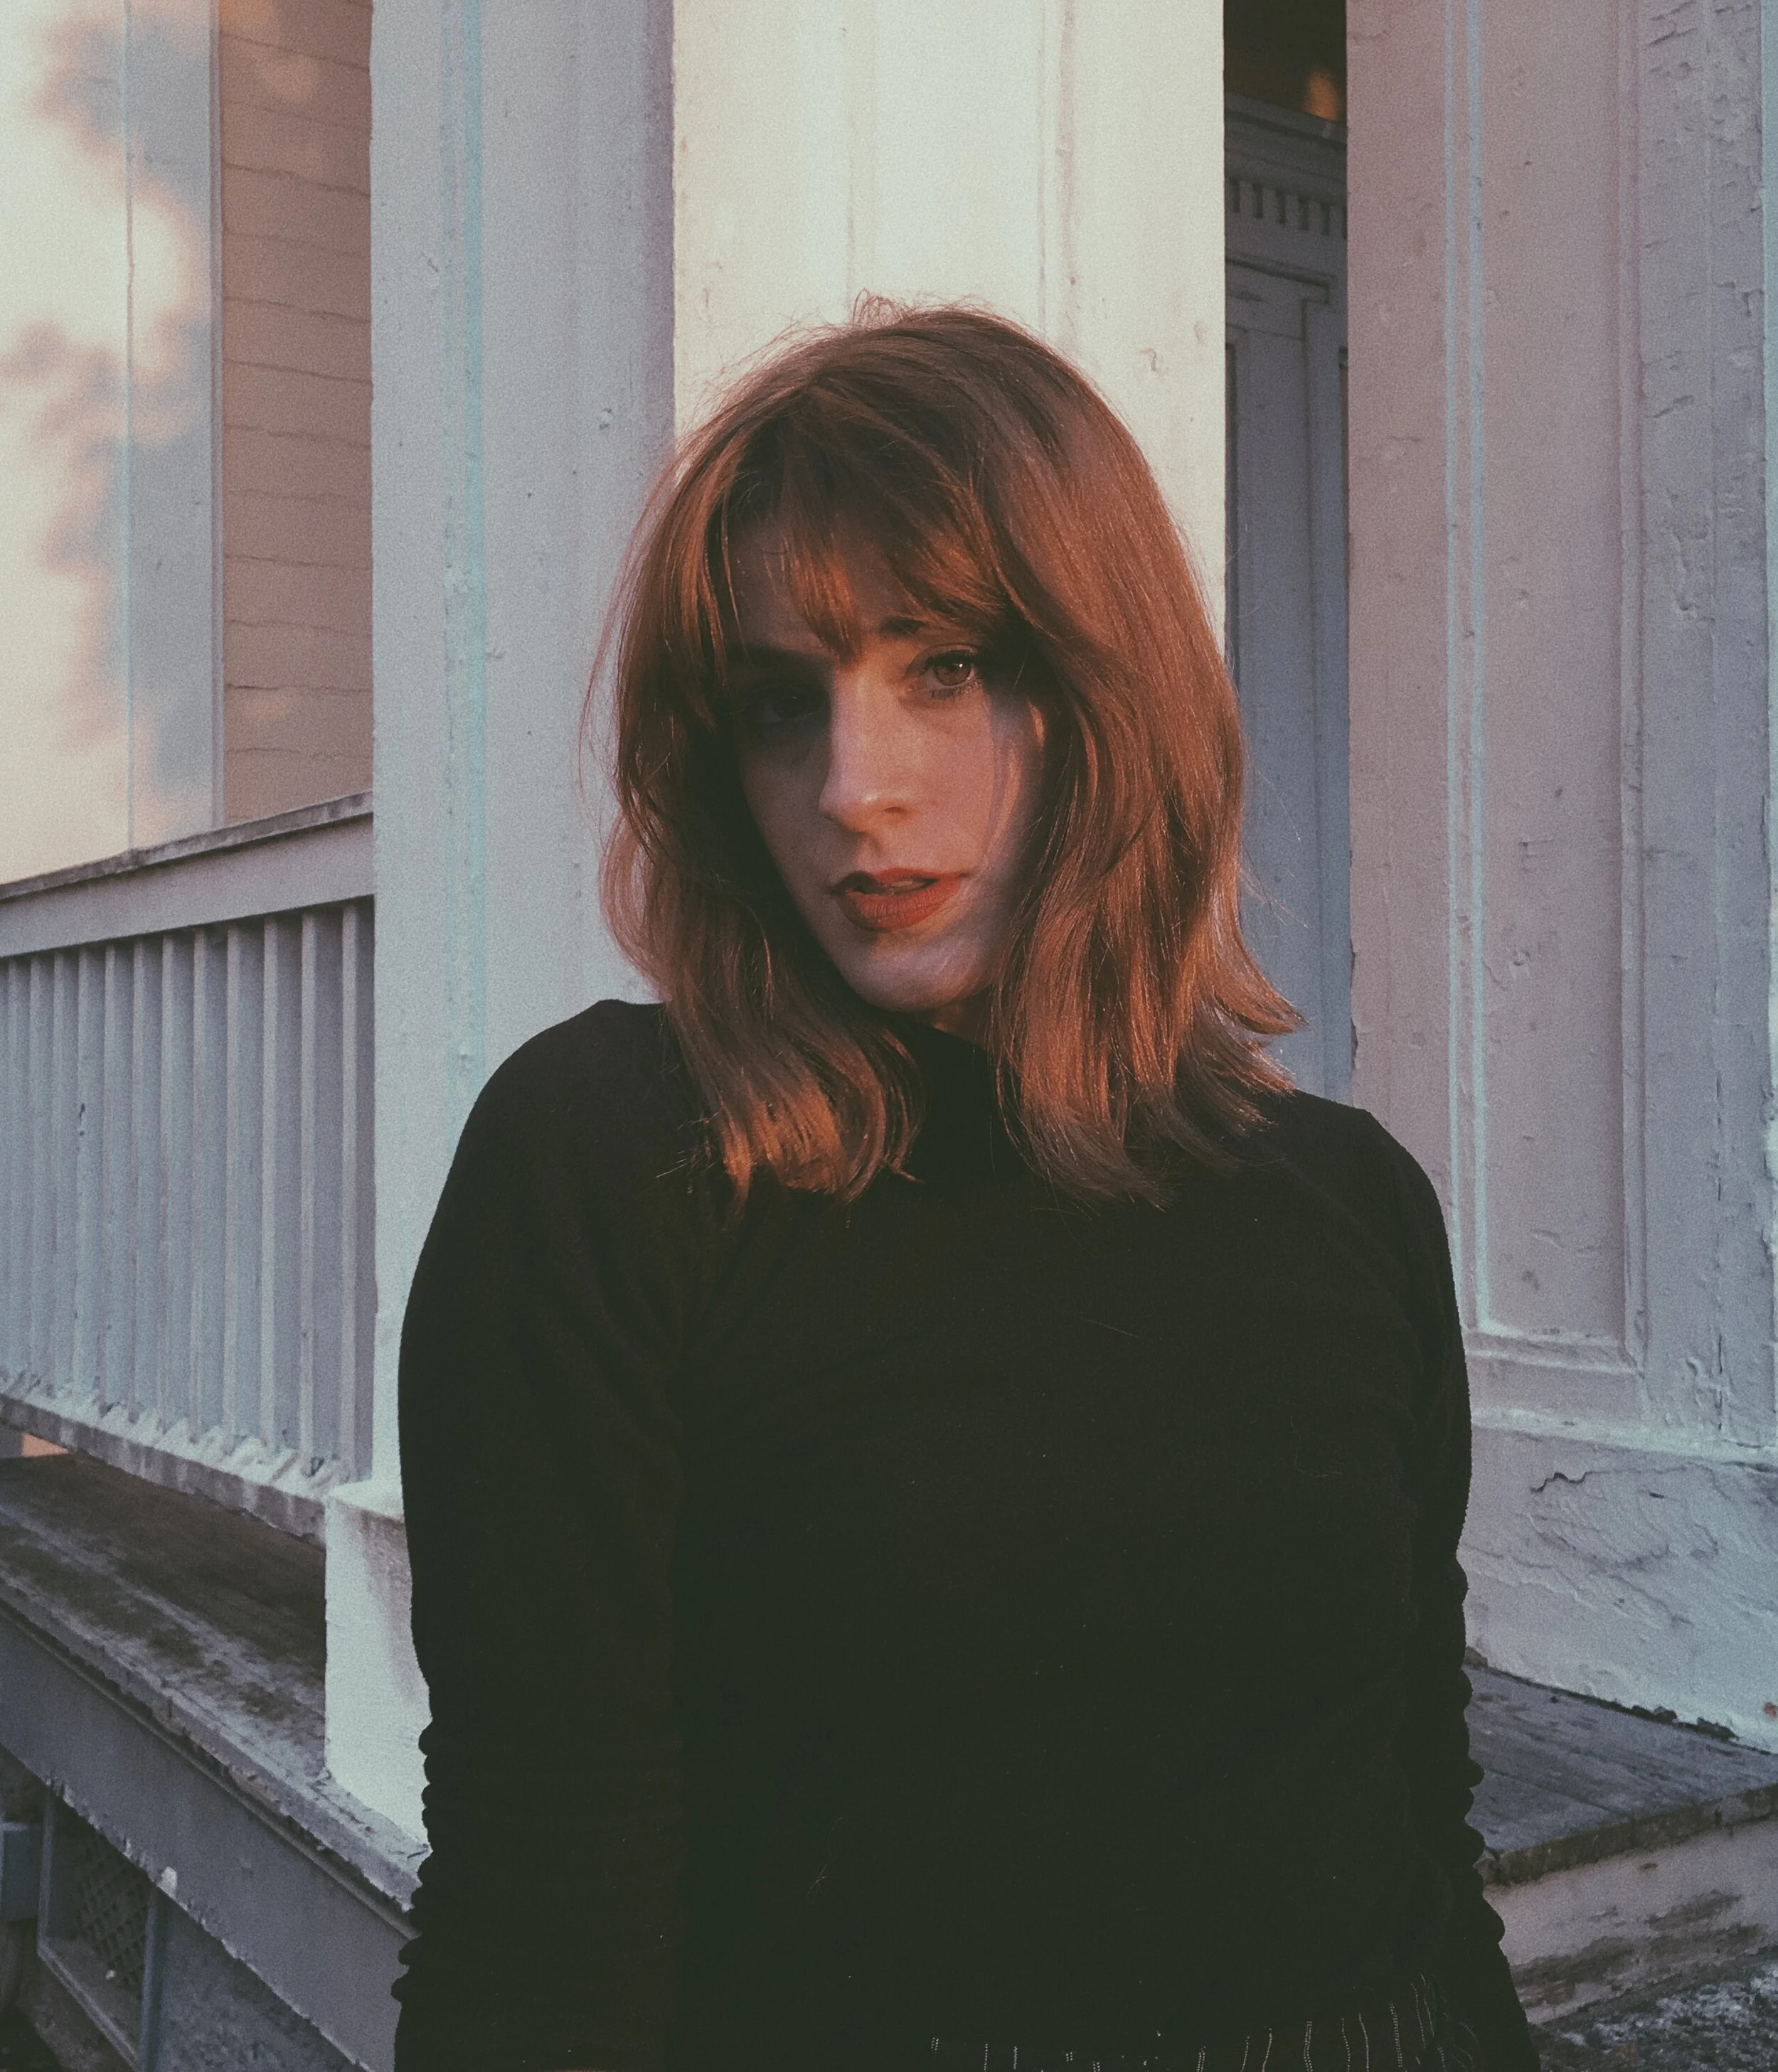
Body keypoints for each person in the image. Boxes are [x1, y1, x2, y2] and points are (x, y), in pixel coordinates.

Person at [391, 303, 1540, 2072]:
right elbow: (537, 1912)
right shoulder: (618, 1162)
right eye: (784, 704)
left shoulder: (1347, 1200)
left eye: (940, 665)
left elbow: (1416, 1830)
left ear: (1102, 690)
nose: (856, 790)